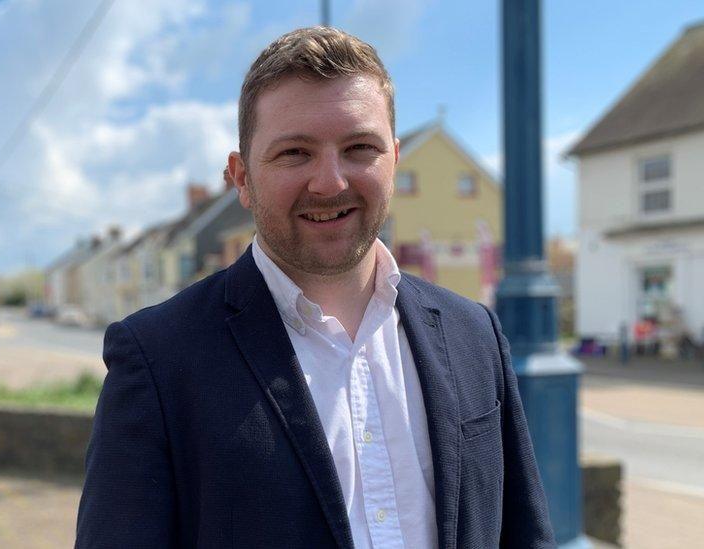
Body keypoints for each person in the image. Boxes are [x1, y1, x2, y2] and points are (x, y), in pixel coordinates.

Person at [77, 27, 555, 549]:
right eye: (294, 154)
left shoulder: (474, 332)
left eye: (359, 148)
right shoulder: (158, 359)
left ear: (394, 160)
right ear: (241, 178)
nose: (330, 182)